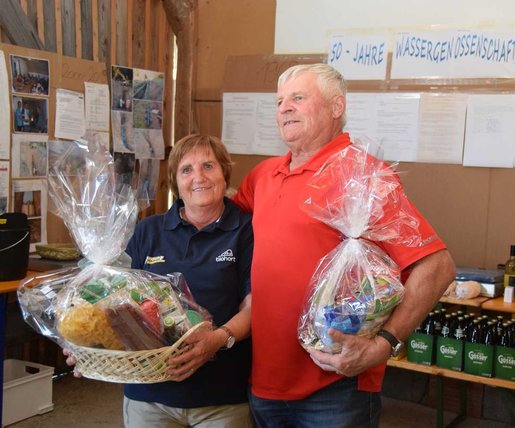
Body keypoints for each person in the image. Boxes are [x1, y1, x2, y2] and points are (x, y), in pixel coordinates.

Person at [232, 63, 456, 427]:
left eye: (298, 98)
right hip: (263, 383)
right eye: (279, 101)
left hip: (336, 386)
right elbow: (219, 225)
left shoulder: (364, 175)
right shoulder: (263, 175)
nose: (284, 108)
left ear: (337, 107)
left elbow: (438, 267)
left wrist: (384, 344)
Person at [68, 134, 254, 428]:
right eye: (186, 169)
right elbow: (113, 298)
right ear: (175, 182)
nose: (199, 177)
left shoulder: (246, 228)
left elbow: (254, 306)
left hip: (222, 397)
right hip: (148, 395)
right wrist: (85, 343)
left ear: (224, 173)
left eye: (208, 166)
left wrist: (217, 340)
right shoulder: (147, 231)